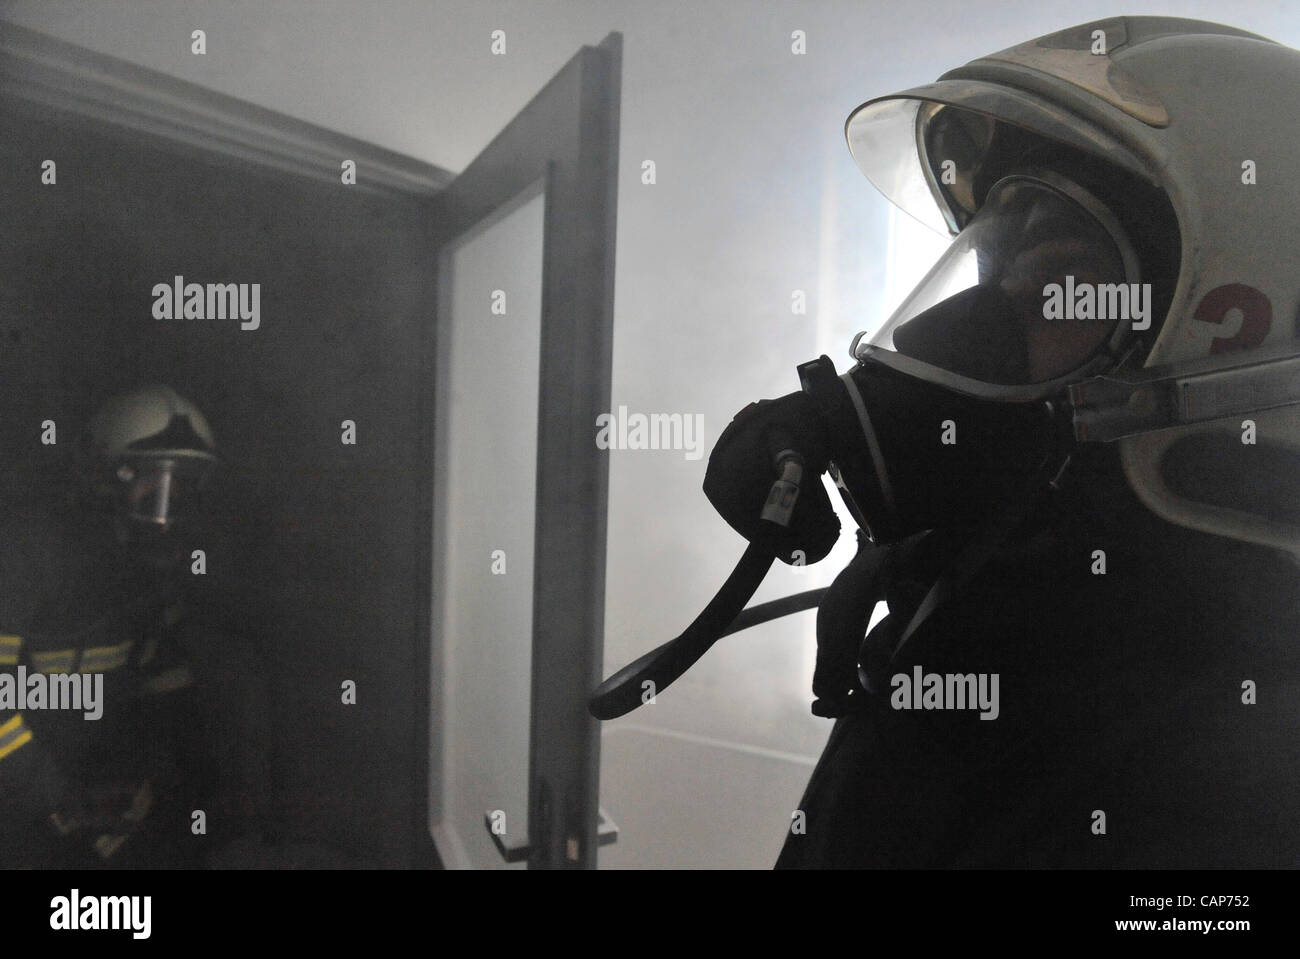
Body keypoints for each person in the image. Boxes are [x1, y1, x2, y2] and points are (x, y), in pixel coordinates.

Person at [689, 16, 1300, 867]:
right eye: (990, 268)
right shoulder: (1038, 583)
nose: (965, 329)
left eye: (1059, 283)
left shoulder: (1236, 762)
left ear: (1222, 341)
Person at [0, 384, 269, 868]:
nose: (168, 510)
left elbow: (167, 697)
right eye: (156, 484)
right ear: (105, 478)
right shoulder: (25, 553)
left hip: (90, 808)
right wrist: (57, 799)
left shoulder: (148, 582)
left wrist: (162, 789)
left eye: (184, 487)